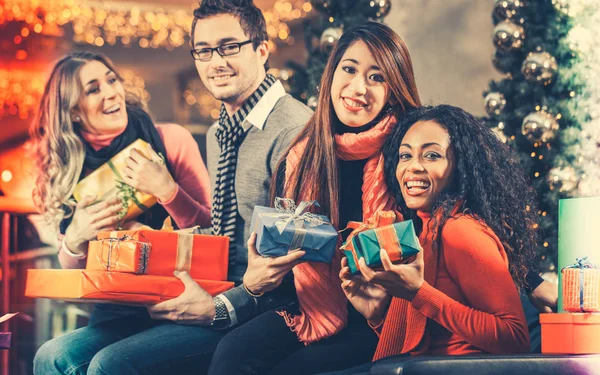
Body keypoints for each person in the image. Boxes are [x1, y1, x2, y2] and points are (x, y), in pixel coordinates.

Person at [36, 0, 312, 372]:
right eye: (203, 50)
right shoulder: (220, 132)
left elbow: (289, 261)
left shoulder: (294, 128)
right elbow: (220, 234)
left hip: (251, 306)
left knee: (110, 364)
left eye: (229, 46)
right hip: (191, 291)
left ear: (262, 49)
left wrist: (214, 305)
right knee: (51, 357)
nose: (216, 62)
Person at [208, 21, 422, 375]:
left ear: (394, 89)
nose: (357, 88)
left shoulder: (407, 148)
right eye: (349, 69)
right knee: (233, 352)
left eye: (376, 77)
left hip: (383, 313)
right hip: (310, 305)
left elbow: (458, 218)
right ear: (331, 73)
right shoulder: (305, 152)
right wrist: (264, 269)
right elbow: (287, 239)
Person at [31, 51, 213, 374]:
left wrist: (168, 191)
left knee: (108, 365)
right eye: (93, 88)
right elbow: (72, 267)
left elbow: (213, 232)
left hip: (179, 302)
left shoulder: (171, 141)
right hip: (116, 310)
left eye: (111, 80)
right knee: (49, 357)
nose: (111, 92)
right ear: (73, 112)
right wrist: (73, 239)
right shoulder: (70, 166)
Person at [335, 104, 536, 374]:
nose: (413, 166)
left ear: (459, 168)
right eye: (405, 156)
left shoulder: (460, 230)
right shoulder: (426, 230)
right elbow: (429, 337)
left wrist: (419, 293)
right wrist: (376, 314)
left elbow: (514, 339)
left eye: (431, 155)